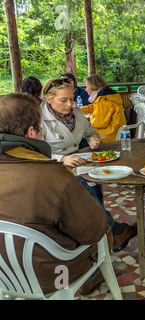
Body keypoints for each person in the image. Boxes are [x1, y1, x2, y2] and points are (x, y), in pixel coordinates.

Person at [0, 93, 112, 295]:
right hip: (49, 273)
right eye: (41, 128)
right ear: (32, 132)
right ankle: (94, 276)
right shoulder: (50, 174)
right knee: (103, 230)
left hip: (3, 274)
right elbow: (95, 230)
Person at [40, 78, 137, 252]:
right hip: (51, 168)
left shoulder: (77, 113)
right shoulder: (38, 118)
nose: (70, 104)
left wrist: (94, 140)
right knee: (85, 191)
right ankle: (114, 232)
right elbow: (35, 151)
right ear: (48, 99)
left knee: (95, 187)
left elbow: (92, 132)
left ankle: (104, 234)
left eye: (72, 98)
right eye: (64, 100)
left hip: (78, 163)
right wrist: (61, 158)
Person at [80, 74, 126, 143]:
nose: (85, 90)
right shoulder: (108, 95)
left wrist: (91, 117)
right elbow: (93, 107)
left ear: (93, 86)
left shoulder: (103, 99)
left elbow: (99, 123)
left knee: (81, 138)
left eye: (86, 87)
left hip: (108, 135)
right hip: (116, 132)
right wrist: (78, 110)